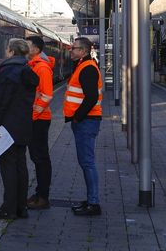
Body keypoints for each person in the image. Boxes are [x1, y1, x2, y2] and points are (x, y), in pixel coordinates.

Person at [0, 38, 39, 220]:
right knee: (20, 166)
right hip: (23, 127)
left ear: (11, 51)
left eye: (6, 49)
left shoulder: (7, 72)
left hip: (5, 129)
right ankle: (21, 208)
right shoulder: (27, 71)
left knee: (8, 168)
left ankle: (9, 209)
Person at [64, 37, 103, 216]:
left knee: (87, 162)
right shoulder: (84, 66)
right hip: (86, 121)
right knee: (86, 162)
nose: (71, 50)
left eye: (74, 48)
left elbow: (91, 97)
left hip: (87, 121)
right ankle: (91, 200)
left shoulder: (87, 68)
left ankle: (93, 204)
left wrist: (77, 117)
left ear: (84, 51)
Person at [24, 35, 54, 210]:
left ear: (36, 49)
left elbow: (47, 96)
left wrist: (32, 116)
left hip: (39, 120)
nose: (25, 49)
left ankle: (43, 197)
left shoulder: (41, 68)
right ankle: (40, 193)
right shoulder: (33, 66)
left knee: (41, 158)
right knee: (37, 157)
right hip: (36, 119)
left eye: (27, 46)